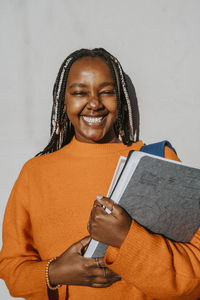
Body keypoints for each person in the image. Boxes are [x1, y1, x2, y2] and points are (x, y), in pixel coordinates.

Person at [0, 48, 200, 300]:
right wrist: (55, 273)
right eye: (79, 93)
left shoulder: (158, 160)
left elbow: (194, 272)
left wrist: (126, 238)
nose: (94, 103)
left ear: (121, 99)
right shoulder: (35, 173)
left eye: (106, 92)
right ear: (64, 101)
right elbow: (11, 270)